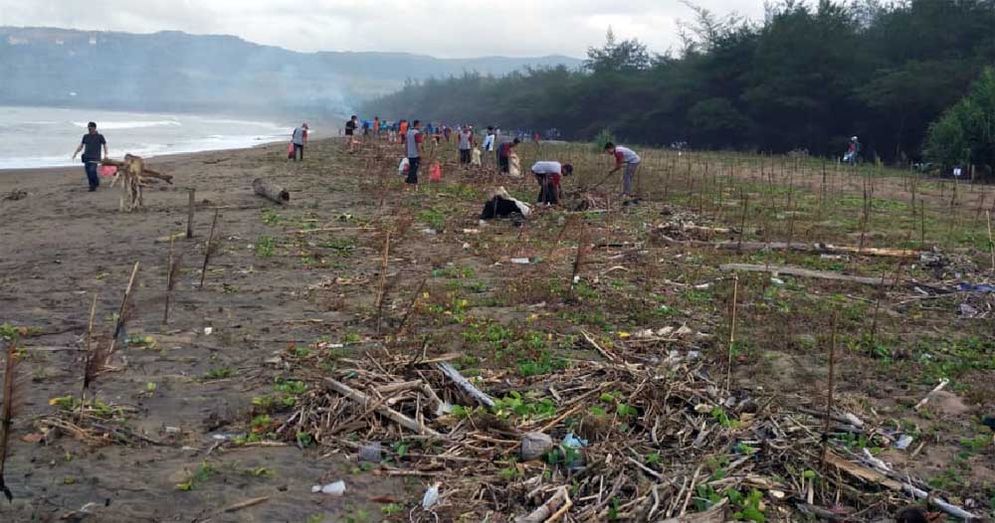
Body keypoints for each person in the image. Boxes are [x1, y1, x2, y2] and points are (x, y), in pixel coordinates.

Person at [71, 121, 108, 191]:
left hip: (95, 157)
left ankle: (94, 185)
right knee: (88, 172)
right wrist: (75, 153)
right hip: (86, 157)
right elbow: (81, 146)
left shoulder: (100, 136)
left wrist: (106, 154)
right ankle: (92, 184)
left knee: (92, 170)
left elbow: (105, 145)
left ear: (94, 128)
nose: (89, 129)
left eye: (90, 128)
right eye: (88, 128)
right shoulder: (85, 136)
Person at [405, 120, 424, 188]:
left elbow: (406, 143)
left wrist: (406, 152)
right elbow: (418, 145)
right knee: (413, 170)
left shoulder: (408, 132)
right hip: (415, 154)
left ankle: (415, 184)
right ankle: (407, 182)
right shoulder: (416, 133)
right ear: (417, 125)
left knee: (412, 169)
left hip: (410, 154)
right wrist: (420, 154)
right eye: (420, 125)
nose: (420, 126)